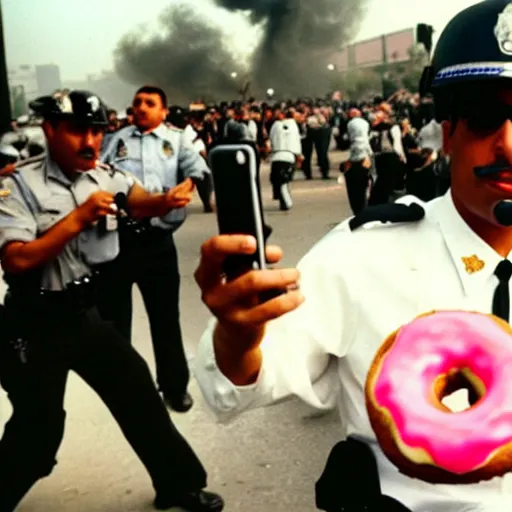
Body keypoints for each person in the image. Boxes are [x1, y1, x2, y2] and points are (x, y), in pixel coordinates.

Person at [192, 2, 512, 510]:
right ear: (447, 129)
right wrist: (238, 334)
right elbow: (241, 387)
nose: (509, 145)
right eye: (484, 115)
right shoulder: (363, 256)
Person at [0, 90, 223, 512]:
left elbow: (136, 202)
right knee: (38, 434)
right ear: (50, 129)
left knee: (137, 390)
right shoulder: (18, 186)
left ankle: (178, 485)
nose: (90, 141)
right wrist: (79, 218)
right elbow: (17, 258)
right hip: (33, 322)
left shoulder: (103, 174)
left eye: (97, 131)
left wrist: (168, 200)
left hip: (82, 314)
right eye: (78, 131)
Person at [100, 86, 210, 413]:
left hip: (158, 243)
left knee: (165, 318)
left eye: (150, 103)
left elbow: (197, 167)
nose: (142, 108)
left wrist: (187, 185)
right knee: (117, 321)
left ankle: (175, 387)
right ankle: (126, 389)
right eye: (137, 103)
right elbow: (98, 172)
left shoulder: (176, 141)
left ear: (164, 111)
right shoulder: (115, 140)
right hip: (118, 241)